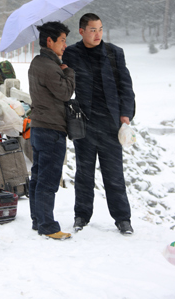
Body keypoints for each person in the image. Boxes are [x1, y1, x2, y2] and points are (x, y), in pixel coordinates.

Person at [62, 13, 135, 235]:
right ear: (82, 31)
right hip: (84, 123)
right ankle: (81, 216)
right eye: (92, 30)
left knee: (114, 174)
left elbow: (126, 86)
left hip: (111, 123)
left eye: (100, 29)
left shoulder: (114, 53)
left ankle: (123, 219)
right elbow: (63, 83)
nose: (97, 34)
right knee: (84, 173)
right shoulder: (72, 53)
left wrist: (125, 114)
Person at [28, 21, 75, 240]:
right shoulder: (49, 66)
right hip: (51, 128)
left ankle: (38, 220)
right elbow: (65, 93)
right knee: (48, 180)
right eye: (62, 40)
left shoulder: (37, 63)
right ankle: (47, 225)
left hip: (39, 127)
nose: (65, 45)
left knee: (38, 176)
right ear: (50, 41)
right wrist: (69, 73)